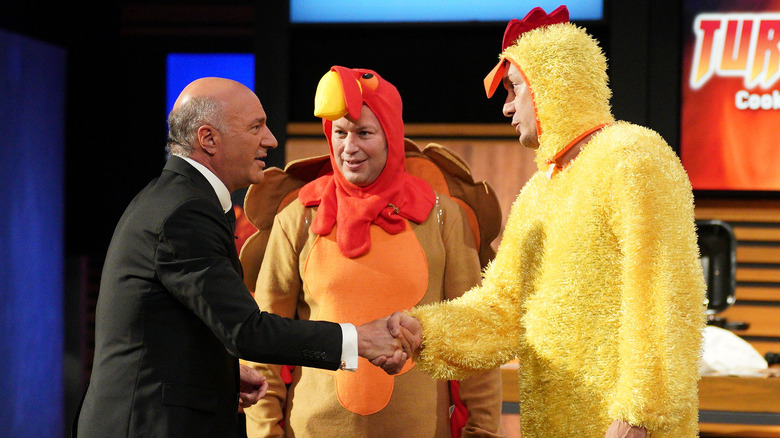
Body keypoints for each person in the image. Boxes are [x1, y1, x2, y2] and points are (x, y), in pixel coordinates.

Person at [388, 5, 706, 438]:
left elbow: (666, 295)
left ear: (553, 85)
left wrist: (641, 414)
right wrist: (423, 330)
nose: (507, 108)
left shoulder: (634, 156)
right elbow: (503, 311)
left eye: (514, 88)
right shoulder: (539, 191)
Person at [74, 77, 413, 438]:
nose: (270, 139)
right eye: (256, 127)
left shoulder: (178, 199)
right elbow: (246, 331)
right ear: (208, 139)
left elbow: (167, 326)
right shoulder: (184, 213)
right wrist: (358, 340)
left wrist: (219, 373)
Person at [240, 66, 505, 437]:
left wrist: (483, 432)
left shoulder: (443, 216)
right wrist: (265, 433)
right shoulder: (297, 218)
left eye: (365, 132)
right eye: (340, 133)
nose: (350, 147)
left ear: (392, 136)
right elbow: (263, 344)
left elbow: (474, 339)